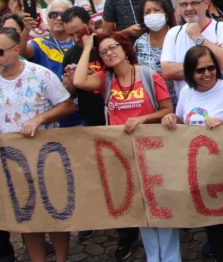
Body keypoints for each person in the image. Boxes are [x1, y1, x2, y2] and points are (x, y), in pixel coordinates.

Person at [0, 27, 74, 262]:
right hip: (10, 163)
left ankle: (61, 259)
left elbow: (67, 105)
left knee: (55, 214)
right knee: (27, 217)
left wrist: (40, 118)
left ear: (16, 50)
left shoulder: (41, 75)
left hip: (46, 158)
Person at [72, 30, 177, 262]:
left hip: (153, 152)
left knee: (162, 206)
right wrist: (88, 46)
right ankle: (153, 257)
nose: (109, 53)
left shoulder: (149, 75)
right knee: (141, 208)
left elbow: (167, 110)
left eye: (112, 47)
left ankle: (171, 258)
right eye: (103, 52)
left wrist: (142, 119)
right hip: (123, 155)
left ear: (124, 48)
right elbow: (78, 81)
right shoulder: (104, 79)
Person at [160, 46, 223, 262]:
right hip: (202, 172)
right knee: (214, 224)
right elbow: (182, 120)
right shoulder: (185, 91)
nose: (207, 74)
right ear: (190, 73)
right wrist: (171, 119)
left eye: (211, 68)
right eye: (200, 70)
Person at [160, 0, 223, 98]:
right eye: (184, 4)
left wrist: (198, 38)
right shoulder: (173, 34)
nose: (189, 8)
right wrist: (213, 61)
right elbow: (167, 72)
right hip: (189, 106)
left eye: (194, 3)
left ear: (206, 3)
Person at [133, 0, 178, 101]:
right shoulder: (139, 42)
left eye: (157, 10)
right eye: (147, 12)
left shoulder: (178, 37)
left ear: (166, 15)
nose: (152, 14)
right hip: (152, 102)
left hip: (180, 99)